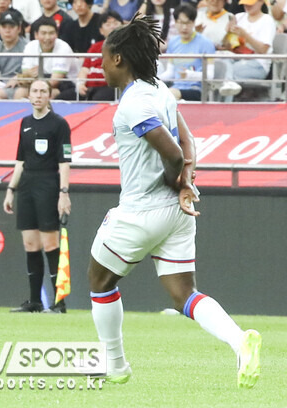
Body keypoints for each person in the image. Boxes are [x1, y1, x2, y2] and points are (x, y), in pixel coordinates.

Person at [86, 14, 260, 388]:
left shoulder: (134, 104)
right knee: (184, 294)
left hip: (142, 211)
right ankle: (239, 340)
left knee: (99, 280)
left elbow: (174, 153)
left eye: (103, 57)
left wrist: (176, 177)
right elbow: (188, 142)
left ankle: (114, 365)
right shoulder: (161, 90)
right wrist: (185, 184)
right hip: (177, 213)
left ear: (119, 59)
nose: (99, 65)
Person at [4, 79, 72, 314]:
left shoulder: (59, 124)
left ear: (49, 95)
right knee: (30, 243)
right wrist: (11, 189)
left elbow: (64, 162)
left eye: (43, 91)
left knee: (50, 243)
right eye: (35, 91)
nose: (39, 95)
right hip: (27, 185)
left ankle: (59, 302)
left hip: (48, 184)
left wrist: (64, 193)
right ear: (29, 95)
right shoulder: (24, 123)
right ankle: (34, 301)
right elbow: (20, 160)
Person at [57, 9, 121, 101]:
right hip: (89, 87)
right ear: (101, 30)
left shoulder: (126, 47)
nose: (112, 27)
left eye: (115, 23)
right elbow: (84, 69)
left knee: (98, 99)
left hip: (109, 87)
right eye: (108, 24)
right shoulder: (95, 47)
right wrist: (80, 84)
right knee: (61, 98)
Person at [218, 0, 276, 99]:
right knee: (219, 63)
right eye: (245, 3)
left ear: (261, 2)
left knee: (225, 75)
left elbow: (263, 50)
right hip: (235, 58)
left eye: (250, 4)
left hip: (257, 63)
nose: (247, 6)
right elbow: (228, 45)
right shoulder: (239, 17)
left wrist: (245, 35)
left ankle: (226, 106)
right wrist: (229, 34)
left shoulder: (267, 20)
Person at [159, 4, 216, 101]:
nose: (184, 27)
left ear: (194, 22)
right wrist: (154, 79)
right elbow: (170, 73)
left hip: (197, 90)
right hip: (176, 88)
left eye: (188, 23)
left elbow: (210, 75)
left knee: (169, 95)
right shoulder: (173, 42)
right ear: (175, 22)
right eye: (180, 23)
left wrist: (189, 75)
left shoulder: (206, 43)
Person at [16, 17, 78, 99]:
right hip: (39, 83)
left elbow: (54, 82)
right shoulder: (30, 46)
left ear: (56, 34)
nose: (47, 37)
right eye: (44, 33)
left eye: (51, 33)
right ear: (36, 35)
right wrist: (26, 78)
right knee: (20, 92)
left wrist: (31, 80)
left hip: (66, 86)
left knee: (46, 94)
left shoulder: (64, 48)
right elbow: (25, 77)